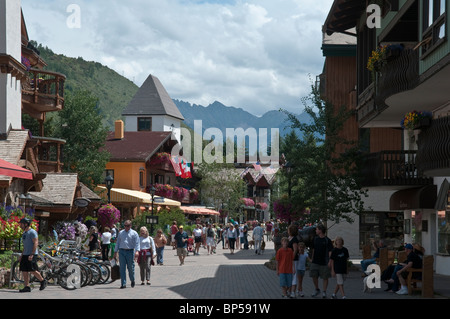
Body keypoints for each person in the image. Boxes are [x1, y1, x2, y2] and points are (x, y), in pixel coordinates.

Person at [18, 218, 47, 292]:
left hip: (31, 254)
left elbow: (35, 243)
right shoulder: (24, 233)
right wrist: (22, 255)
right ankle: (27, 286)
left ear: (26, 224)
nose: (20, 225)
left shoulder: (32, 232)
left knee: (32, 270)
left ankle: (42, 281)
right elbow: (25, 245)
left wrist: (32, 254)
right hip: (25, 254)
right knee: (24, 270)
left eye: (21, 224)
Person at [114, 220, 140, 288]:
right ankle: (123, 283)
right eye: (125, 226)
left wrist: (137, 251)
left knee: (131, 268)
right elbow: (118, 243)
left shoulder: (134, 233)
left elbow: (137, 243)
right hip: (122, 251)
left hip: (130, 252)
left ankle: (132, 279)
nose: (126, 227)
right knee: (122, 268)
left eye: (127, 226)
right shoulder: (121, 233)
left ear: (130, 226)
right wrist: (115, 251)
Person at [310, 224, 333, 298]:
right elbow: (313, 249)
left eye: (317, 229)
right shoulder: (315, 239)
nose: (316, 231)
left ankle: (324, 291)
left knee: (325, 277)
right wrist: (312, 259)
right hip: (315, 261)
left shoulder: (327, 240)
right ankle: (317, 289)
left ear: (320, 230)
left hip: (324, 261)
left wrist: (330, 261)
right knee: (313, 275)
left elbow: (330, 251)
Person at [287, 224, 299, 298]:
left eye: (288, 230)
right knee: (289, 275)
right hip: (288, 259)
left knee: (294, 275)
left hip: (293, 260)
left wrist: (292, 257)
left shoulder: (294, 239)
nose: (287, 231)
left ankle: (293, 292)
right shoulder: (289, 238)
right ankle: (289, 290)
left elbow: (295, 250)